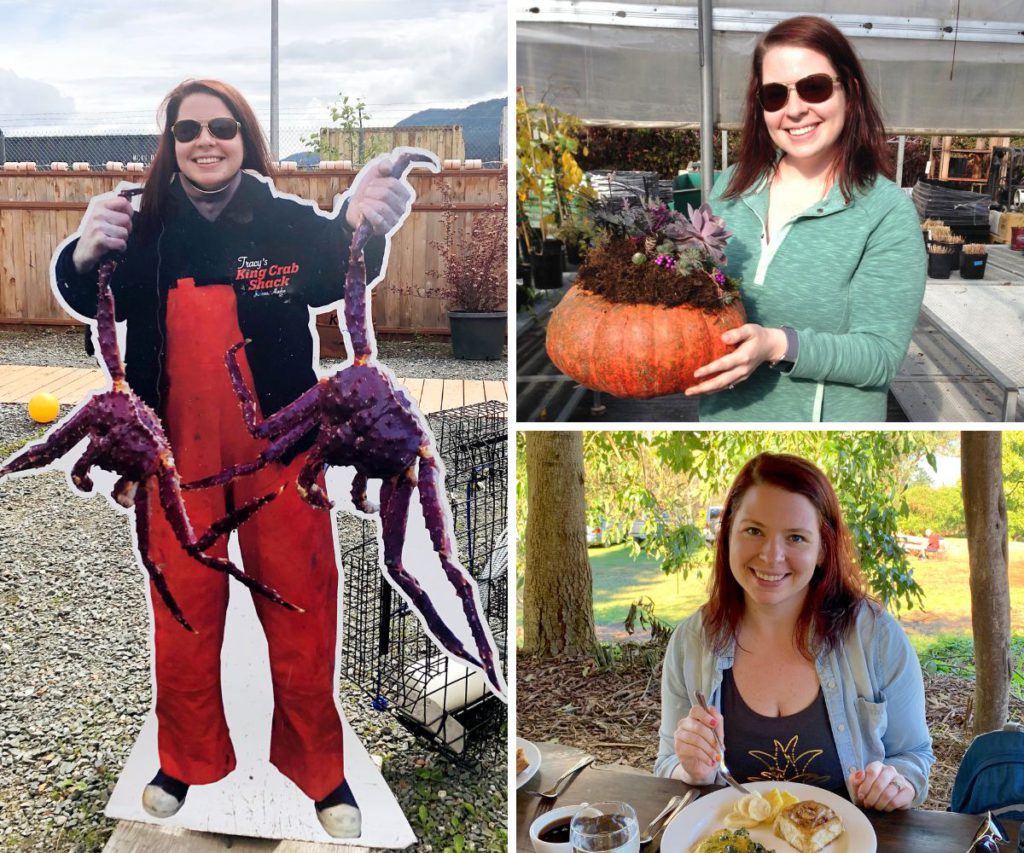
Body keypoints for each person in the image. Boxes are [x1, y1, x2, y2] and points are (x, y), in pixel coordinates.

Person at [52, 78, 414, 838]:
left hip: (282, 447)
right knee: (182, 610)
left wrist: (362, 220)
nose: (204, 141)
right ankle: (184, 759)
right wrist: (80, 253)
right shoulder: (140, 225)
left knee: (302, 604)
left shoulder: (283, 221)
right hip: (172, 454)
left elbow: (337, 267)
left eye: (221, 127)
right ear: (171, 143)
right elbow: (89, 296)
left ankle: (320, 771)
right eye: (187, 130)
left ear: (244, 137)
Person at [655, 453, 934, 811]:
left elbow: (914, 756)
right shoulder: (691, 643)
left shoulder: (875, 637)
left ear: (822, 550)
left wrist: (896, 784)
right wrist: (693, 770)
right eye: (754, 531)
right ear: (727, 536)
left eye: (796, 538)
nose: (771, 556)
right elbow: (667, 763)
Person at [686, 16, 926, 422]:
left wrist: (777, 345)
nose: (795, 110)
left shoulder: (885, 212)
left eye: (814, 87)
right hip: (724, 420)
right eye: (775, 95)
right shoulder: (731, 186)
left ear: (850, 90)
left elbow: (880, 356)